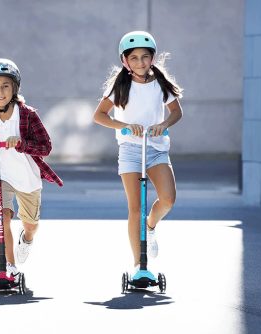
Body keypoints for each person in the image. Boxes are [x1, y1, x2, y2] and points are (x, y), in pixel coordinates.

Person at [93, 31, 183, 274]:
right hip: (131, 149)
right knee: (135, 208)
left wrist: (163, 125)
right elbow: (99, 115)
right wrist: (123, 126)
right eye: (134, 58)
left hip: (156, 148)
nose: (140, 62)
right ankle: (138, 266)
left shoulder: (160, 83)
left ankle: (151, 226)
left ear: (152, 58)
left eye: (145, 57)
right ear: (125, 61)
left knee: (168, 199)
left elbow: (176, 112)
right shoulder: (120, 85)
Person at [0, 58, 63, 279]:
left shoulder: (28, 115)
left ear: (15, 88)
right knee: (3, 219)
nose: (0, 92)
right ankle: (9, 267)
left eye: (5, 86)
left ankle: (26, 238)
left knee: (30, 225)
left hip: (27, 178)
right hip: (0, 178)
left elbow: (46, 147)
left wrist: (21, 143)